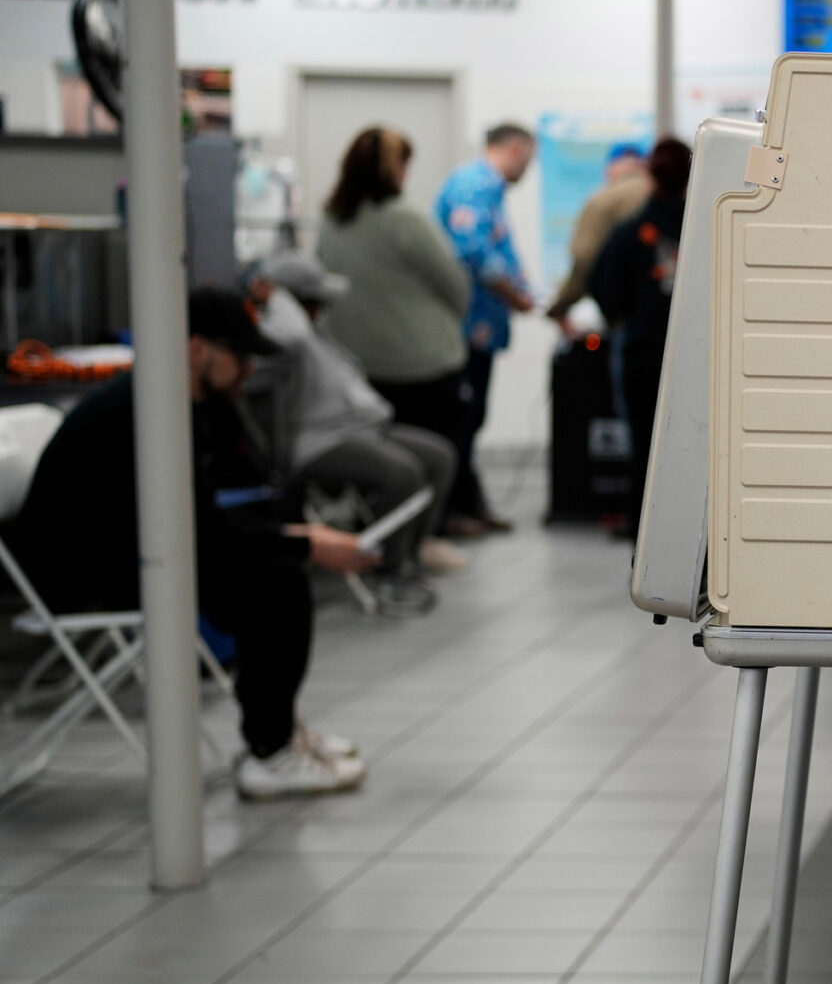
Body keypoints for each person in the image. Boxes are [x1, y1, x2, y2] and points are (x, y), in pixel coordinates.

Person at [2, 290, 374, 799]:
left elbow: (207, 517)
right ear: (197, 348)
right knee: (274, 583)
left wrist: (291, 538)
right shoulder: (147, 417)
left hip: (123, 552)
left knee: (267, 568)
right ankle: (271, 753)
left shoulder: (184, 406)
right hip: (77, 578)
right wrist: (305, 543)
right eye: (240, 358)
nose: (248, 371)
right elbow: (204, 533)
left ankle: (278, 733)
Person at [247, 251, 466, 608]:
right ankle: (385, 570)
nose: (320, 310)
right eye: (312, 302)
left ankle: (409, 554)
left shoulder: (312, 333)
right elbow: (294, 335)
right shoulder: (275, 336)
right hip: (319, 441)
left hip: (363, 429)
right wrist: (274, 296)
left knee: (439, 456)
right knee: (403, 472)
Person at [314, 127, 480, 537]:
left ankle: (377, 541)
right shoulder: (405, 219)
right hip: (425, 369)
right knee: (433, 461)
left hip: (359, 370)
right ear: (393, 169)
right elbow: (456, 287)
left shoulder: (330, 222)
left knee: (383, 467)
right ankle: (422, 542)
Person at [435, 123, 540, 534]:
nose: (527, 170)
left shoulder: (489, 190)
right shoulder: (473, 186)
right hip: (464, 328)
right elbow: (473, 252)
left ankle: (467, 503)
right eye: (528, 160)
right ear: (515, 149)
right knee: (461, 419)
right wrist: (515, 296)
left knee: (472, 418)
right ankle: (452, 511)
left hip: (481, 328)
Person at [589, 137, 689, 515]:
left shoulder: (630, 233)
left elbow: (603, 288)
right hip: (696, 358)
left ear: (651, 175)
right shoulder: (712, 232)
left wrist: (628, 315)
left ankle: (643, 527)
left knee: (645, 444)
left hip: (642, 354)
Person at [547, 142, 652, 329]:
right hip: (670, 306)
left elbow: (585, 257)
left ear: (610, 169)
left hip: (626, 313)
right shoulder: (669, 196)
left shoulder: (602, 200)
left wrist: (561, 306)